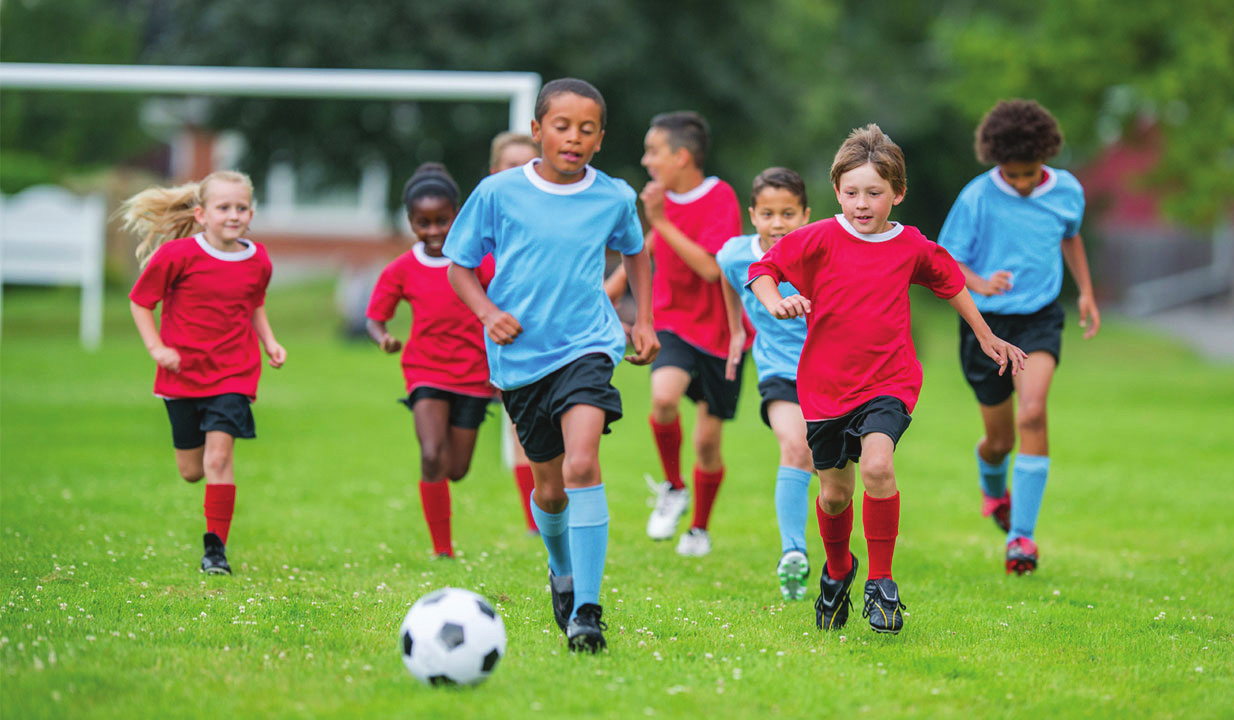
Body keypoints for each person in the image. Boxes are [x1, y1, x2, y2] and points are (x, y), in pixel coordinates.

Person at [748, 124, 1027, 635]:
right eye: (851, 192)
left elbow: (951, 282)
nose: (861, 203)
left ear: (897, 193)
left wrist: (986, 335)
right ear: (836, 192)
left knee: (878, 465)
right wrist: (775, 302)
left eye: (874, 193)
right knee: (834, 495)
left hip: (889, 381)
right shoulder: (816, 238)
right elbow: (764, 269)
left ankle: (881, 582)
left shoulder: (910, 245)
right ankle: (838, 572)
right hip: (825, 388)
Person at [445, 78, 658, 653]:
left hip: (588, 345)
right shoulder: (497, 193)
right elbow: (458, 266)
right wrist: (489, 312)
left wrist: (643, 320)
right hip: (520, 358)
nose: (573, 137)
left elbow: (635, 251)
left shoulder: (613, 196)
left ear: (600, 138)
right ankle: (561, 571)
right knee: (550, 490)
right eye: (561, 126)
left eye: (586, 129)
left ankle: (587, 609)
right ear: (538, 131)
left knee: (583, 462)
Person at [938, 99, 1100, 575]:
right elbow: (946, 262)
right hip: (985, 328)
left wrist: (1086, 291)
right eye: (1013, 175)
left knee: (1033, 413)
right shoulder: (976, 198)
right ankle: (993, 488)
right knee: (999, 442)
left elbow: (1071, 236)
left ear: (1045, 157)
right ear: (996, 162)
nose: (1024, 183)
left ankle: (1021, 539)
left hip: (1039, 320)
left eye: (1030, 173)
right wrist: (981, 282)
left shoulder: (1068, 191)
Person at [123, 170, 286, 576]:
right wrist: (157, 348)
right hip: (182, 376)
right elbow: (140, 301)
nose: (234, 215)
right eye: (224, 207)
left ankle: (215, 552)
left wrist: (269, 342)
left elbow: (254, 303)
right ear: (200, 214)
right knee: (191, 471)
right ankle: (213, 534)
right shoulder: (176, 256)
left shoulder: (258, 258)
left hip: (234, 373)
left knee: (218, 459)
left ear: (252, 211)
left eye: (242, 207)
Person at [605, 110, 748, 556]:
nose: (647, 161)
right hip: (672, 324)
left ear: (681, 156)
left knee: (707, 442)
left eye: (654, 152)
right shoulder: (661, 202)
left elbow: (711, 267)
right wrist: (605, 293)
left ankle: (699, 529)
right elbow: (644, 251)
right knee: (664, 398)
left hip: (723, 336)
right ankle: (673, 485)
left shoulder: (718, 196)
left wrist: (660, 219)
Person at [365, 163, 497, 558]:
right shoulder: (402, 268)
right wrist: (384, 337)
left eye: (443, 220)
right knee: (430, 455)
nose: (434, 230)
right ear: (411, 223)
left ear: (457, 216)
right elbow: (375, 317)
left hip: (475, 375)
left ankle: (444, 529)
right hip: (425, 371)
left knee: (455, 469)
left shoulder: (480, 261)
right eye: (424, 223)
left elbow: (506, 302)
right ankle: (443, 550)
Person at [716, 167, 814, 600]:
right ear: (752, 215)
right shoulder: (736, 254)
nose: (778, 224)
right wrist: (737, 330)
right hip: (778, 371)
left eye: (788, 213)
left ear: (806, 215)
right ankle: (793, 552)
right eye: (769, 214)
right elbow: (728, 275)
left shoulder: (821, 253)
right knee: (795, 447)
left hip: (831, 372)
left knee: (832, 473)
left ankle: (836, 553)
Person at [489, 131, 542, 535]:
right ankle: (534, 522)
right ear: (495, 171)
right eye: (512, 165)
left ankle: (553, 511)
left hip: (549, 342)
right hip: (495, 345)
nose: (521, 174)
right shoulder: (482, 224)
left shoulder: (553, 221)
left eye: (529, 164)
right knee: (521, 429)